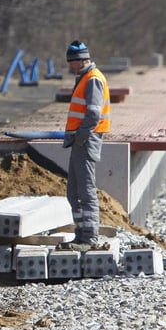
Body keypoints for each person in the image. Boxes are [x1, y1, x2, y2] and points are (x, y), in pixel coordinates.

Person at [62, 40, 110, 250]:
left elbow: (93, 113)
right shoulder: (85, 77)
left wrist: (81, 136)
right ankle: (80, 234)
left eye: (71, 63)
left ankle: (90, 237)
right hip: (79, 141)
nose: (69, 66)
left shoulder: (93, 79)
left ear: (80, 61)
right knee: (73, 192)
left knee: (86, 191)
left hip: (86, 141)